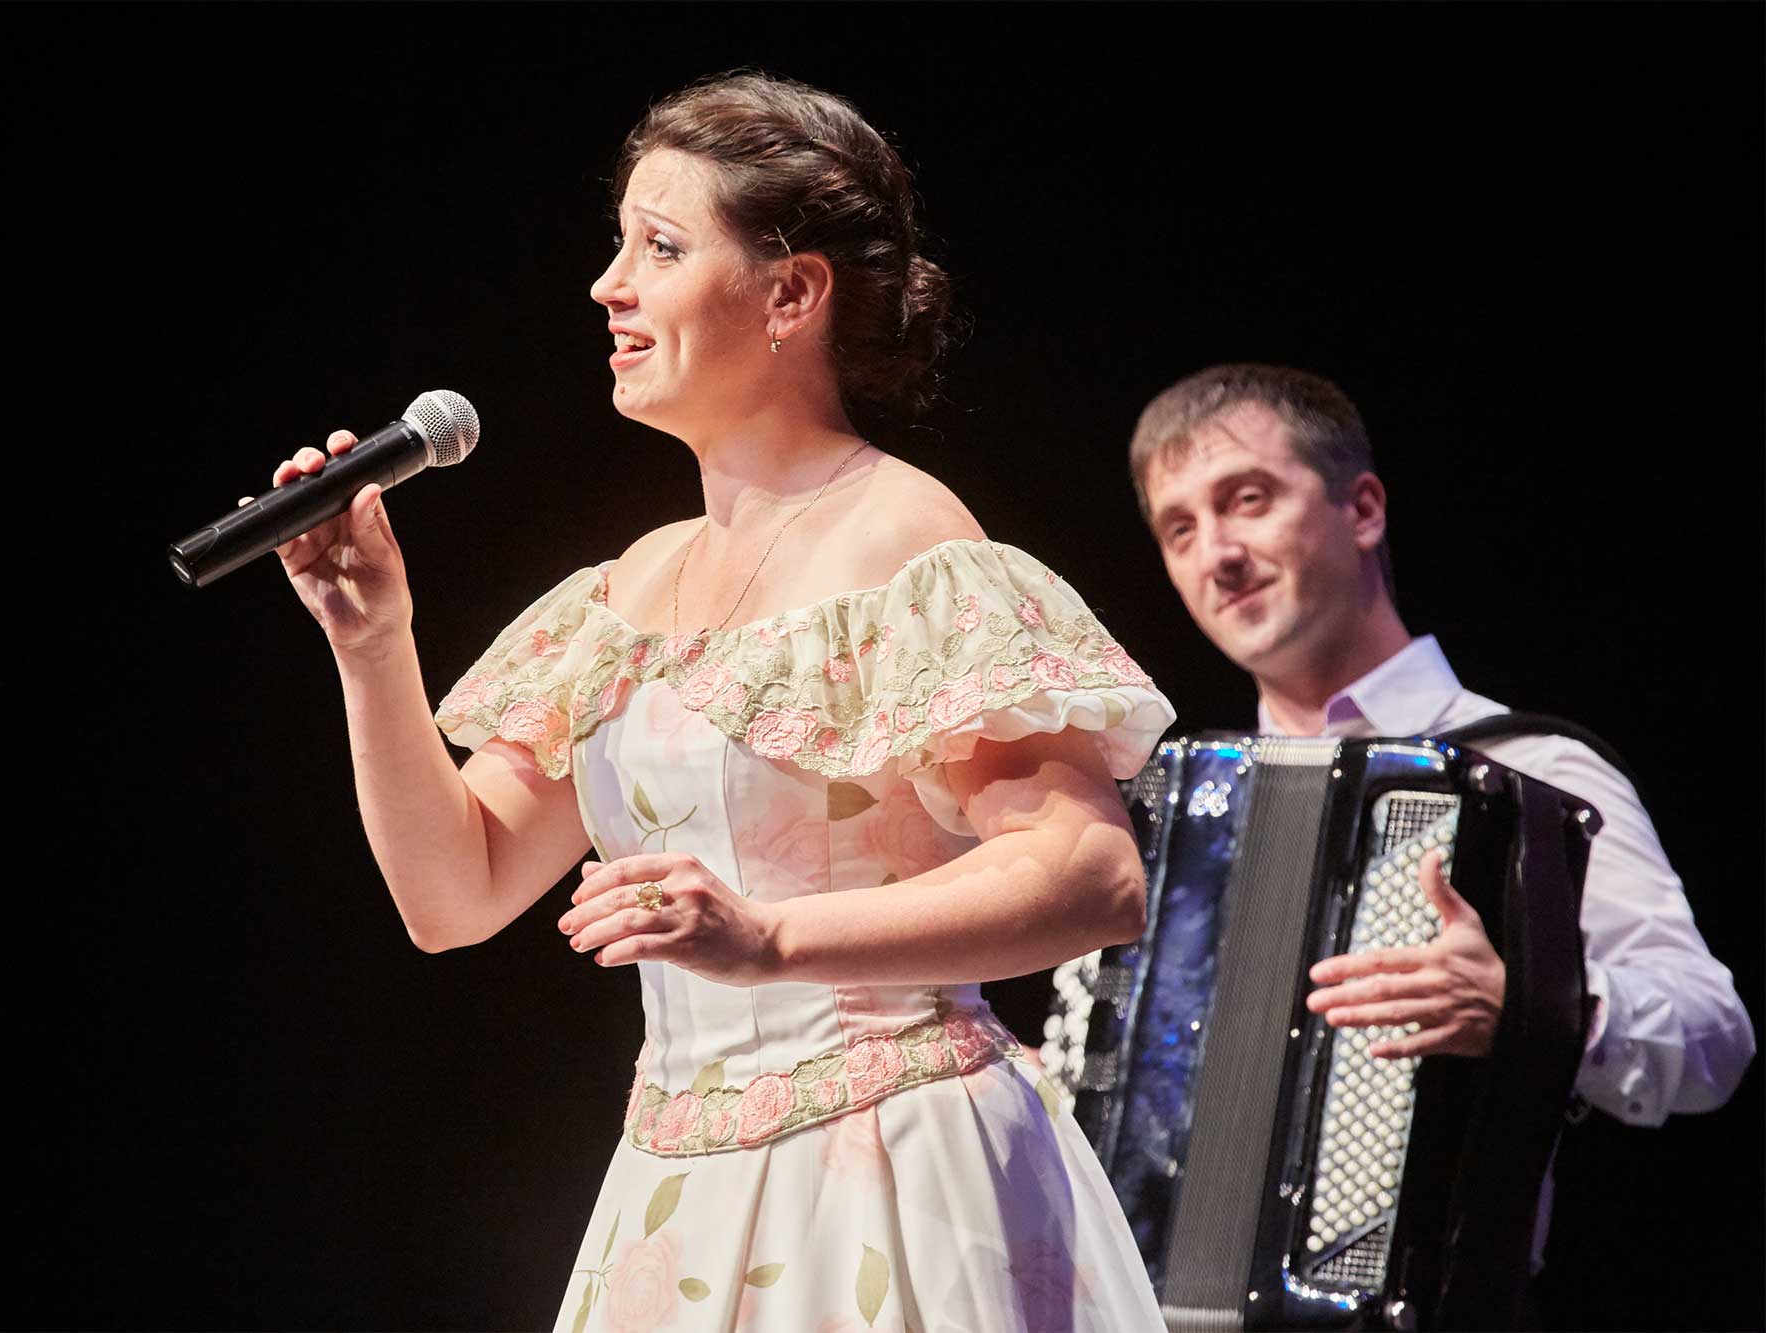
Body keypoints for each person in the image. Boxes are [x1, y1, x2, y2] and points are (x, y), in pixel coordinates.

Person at [266, 74, 1175, 1331]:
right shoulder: (628, 589)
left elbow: (1088, 876)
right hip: (679, 1188)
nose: (608, 285)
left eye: (661, 246)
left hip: (890, 1166)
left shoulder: (909, 547)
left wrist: (773, 939)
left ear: (790, 293)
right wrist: (374, 644)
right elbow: (452, 895)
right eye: (620, 243)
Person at [1127, 362, 1755, 1258]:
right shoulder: (1186, 811)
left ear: (1365, 509)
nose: (1216, 555)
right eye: (1179, 528)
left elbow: (1711, 1034)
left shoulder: (1530, 769)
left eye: (1250, 498)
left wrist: (1531, 1007)